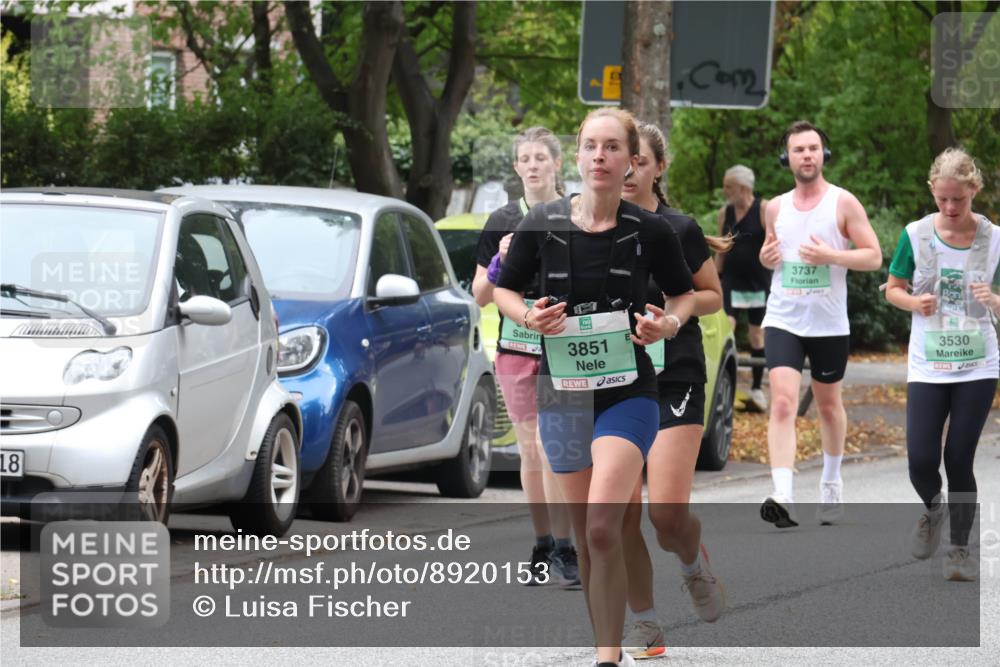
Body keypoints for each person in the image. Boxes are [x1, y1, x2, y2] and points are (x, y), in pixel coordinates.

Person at [494, 107, 695, 667]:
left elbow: (683, 295)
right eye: (590, 146)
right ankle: (607, 645)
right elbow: (505, 292)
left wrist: (668, 323)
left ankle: (609, 659)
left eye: (612, 148)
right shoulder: (543, 224)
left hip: (628, 393)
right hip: (561, 392)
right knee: (586, 537)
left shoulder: (650, 230)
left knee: (605, 524)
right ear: (577, 156)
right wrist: (528, 316)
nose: (600, 156)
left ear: (632, 161)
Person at [619, 122, 731, 658]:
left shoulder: (678, 228)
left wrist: (673, 313)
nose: (627, 169)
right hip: (612, 377)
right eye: (621, 158)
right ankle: (645, 625)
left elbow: (712, 296)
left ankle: (692, 562)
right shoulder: (587, 225)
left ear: (657, 168)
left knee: (664, 514)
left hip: (673, 373)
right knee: (617, 511)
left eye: (639, 161)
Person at [758, 120, 882, 527]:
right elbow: (769, 254)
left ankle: (831, 482)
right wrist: (766, 259)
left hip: (828, 321)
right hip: (783, 318)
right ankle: (783, 492)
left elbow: (873, 257)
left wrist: (832, 256)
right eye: (799, 149)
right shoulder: (774, 207)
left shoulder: (843, 203)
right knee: (781, 402)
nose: (807, 155)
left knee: (829, 406)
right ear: (787, 158)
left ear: (823, 155)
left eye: (813, 148)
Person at [472, 127, 580, 588]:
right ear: (516, 167)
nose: (533, 165)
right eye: (525, 158)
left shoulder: (574, 213)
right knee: (531, 449)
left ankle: (566, 545)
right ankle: (542, 543)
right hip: (516, 347)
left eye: (541, 157)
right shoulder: (501, 217)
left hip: (564, 347)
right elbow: (480, 295)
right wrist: (499, 261)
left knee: (557, 449)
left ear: (557, 163)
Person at [885, 147, 995, 581]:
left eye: (959, 199)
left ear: (975, 190)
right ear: (932, 190)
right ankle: (934, 509)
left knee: (959, 456)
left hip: (978, 363)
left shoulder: (996, 239)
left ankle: (960, 551)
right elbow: (892, 288)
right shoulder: (914, 235)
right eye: (942, 198)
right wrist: (914, 300)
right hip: (929, 361)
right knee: (920, 457)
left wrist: (994, 300)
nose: (950, 208)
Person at [716, 165, 771, 411]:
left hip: (757, 282)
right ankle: (725, 384)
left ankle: (758, 389)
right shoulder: (724, 213)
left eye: (729, 186)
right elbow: (721, 249)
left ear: (743, 187)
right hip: (731, 281)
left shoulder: (764, 209)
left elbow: (773, 243)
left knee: (756, 334)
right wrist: (715, 279)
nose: (725, 191)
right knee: (726, 328)